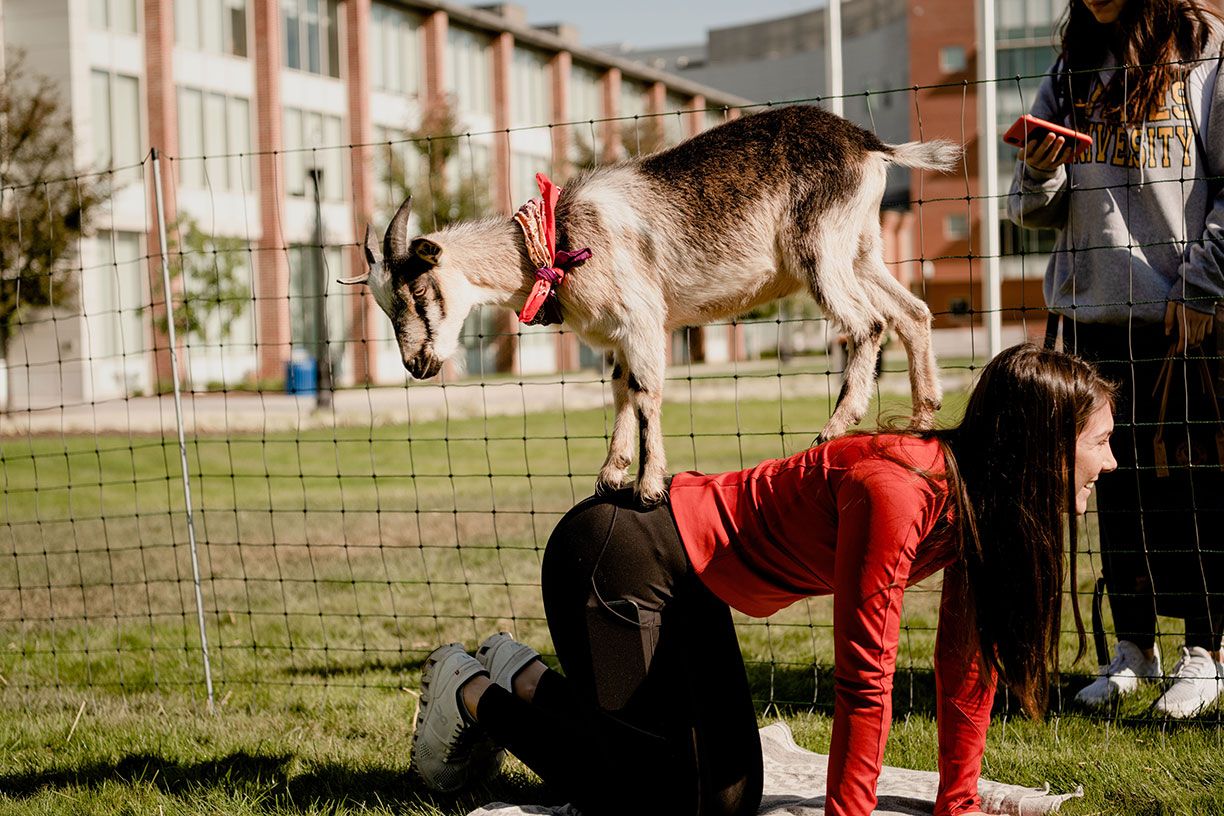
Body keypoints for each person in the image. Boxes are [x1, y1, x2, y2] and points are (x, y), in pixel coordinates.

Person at [407, 343, 1117, 816]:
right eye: (1100, 442)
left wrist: (957, 807)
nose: (1111, 462)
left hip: (693, 585)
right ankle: (468, 692)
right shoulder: (899, 489)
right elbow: (864, 679)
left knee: (730, 800)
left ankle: (521, 674)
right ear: (1040, 444)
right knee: (654, 803)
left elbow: (966, 664)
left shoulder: (976, 502)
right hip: (621, 556)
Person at [1007, 0, 1224, 717]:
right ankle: (1132, 649)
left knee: (1194, 493)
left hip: (1181, 317)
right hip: (1092, 315)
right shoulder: (1073, 64)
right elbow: (1033, 206)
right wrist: (1038, 170)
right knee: (1116, 492)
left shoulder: (1205, 48)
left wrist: (1204, 284)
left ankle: (1208, 651)